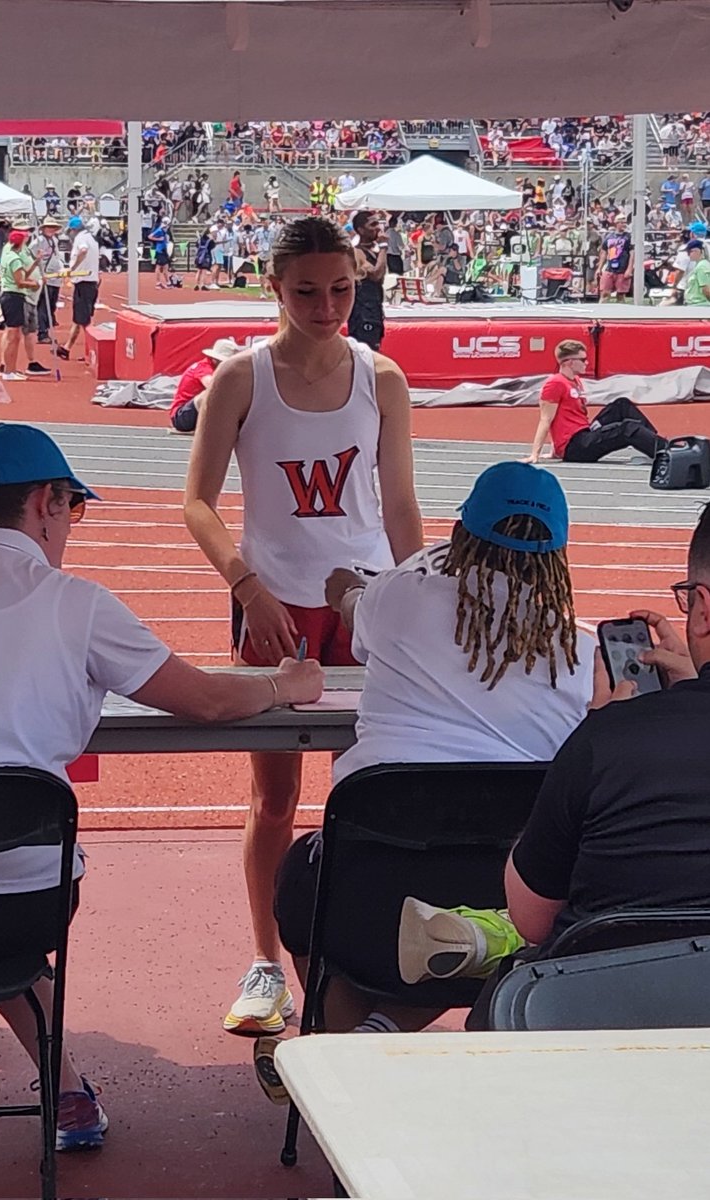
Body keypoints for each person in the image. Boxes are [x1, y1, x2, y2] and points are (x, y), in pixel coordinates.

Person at [0, 421, 324, 1154]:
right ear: (46, 503)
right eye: (73, 508)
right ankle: (67, 1095)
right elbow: (208, 700)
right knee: (1, 901)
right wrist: (285, 683)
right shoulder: (77, 604)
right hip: (15, 903)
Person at [183, 216, 423, 1035]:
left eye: (342, 290)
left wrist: (419, 598)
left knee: (374, 788)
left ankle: (361, 957)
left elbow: (399, 505)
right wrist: (247, 586)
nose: (327, 308)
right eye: (308, 292)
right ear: (275, 289)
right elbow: (197, 503)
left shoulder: (381, 379)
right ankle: (266, 964)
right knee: (276, 796)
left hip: (367, 608)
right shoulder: (241, 379)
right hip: (275, 606)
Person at [265, 463, 593, 1053]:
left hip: (363, 896)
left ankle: (337, 1050)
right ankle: (372, 1040)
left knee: (302, 879)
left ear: (461, 534)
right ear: (558, 557)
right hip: (511, 907)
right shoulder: (582, 656)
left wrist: (347, 586)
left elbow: (350, 601)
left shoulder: (399, 599)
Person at [396, 502, 710, 1029]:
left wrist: (609, 724)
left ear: (702, 611)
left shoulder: (608, 740)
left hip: (606, 1028)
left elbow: (532, 916)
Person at [525, 339, 664, 465]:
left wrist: (554, 450)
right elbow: (546, 419)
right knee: (628, 428)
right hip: (576, 447)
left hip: (585, 433)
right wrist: (535, 454)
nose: (587, 363)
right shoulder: (555, 384)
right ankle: (665, 453)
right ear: (570, 362)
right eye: (583, 359)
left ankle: (654, 442)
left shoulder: (575, 380)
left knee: (622, 405)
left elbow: (563, 418)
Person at [0, 224, 49, 382]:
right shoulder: (14, 258)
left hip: (12, 296)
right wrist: (36, 283)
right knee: (13, 336)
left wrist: (36, 262)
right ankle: (8, 371)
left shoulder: (10, 255)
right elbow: (20, 282)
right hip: (13, 296)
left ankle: (11, 369)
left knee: (14, 335)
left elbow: (23, 273)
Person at [169, 338, 239, 434]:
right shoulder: (203, 367)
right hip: (182, 417)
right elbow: (212, 385)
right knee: (211, 392)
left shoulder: (217, 370)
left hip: (194, 414)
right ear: (215, 359)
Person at [56, 216, 100, 361]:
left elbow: (83, 251)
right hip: (89, 282)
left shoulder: (81, 239)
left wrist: (72, 268)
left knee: (85, 320)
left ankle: (93, 351)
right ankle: (67, 348)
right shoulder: (91, 238)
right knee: (79, 318)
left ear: (73, 230)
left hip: (84, 282)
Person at [348, 210, 387, 351]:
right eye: (373, 224)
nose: (378, 228)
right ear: (361, 230)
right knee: (366, 352)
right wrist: (383, 247)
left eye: (378, 223)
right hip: (363, 313)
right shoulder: (357, 252)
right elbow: (376, 274)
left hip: (375, 310)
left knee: (375, 350)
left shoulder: (373, 252)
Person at [30, 215, 64, 344]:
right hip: (45, 277)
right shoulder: (38, 242)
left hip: (55, 278)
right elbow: (30, 256)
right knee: (44, 306)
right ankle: (42, 332)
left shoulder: (54, 240)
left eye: (53, 227)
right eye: (49, 227)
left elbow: (57, 256)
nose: (51, 229)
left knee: (51, 306)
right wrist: (38, 273)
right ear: (43, 229)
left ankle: (46, 328)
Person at [597, 215, 633, 303]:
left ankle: (621, 311)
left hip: (622, 269)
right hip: (609, 268)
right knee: (604, 293)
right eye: (621, 222)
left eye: (625, 222)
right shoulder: (609, 236)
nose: (624, 224)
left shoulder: (629, 237)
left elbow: (632, 254)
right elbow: (604, 252)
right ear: (616, 223)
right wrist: (599, 268)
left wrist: (629, 269)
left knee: (620, 295)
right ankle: (601, 309)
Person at [684, 238, 710, 305]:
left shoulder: (702, 266)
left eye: (689, 252)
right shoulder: (700, 265)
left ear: (697, 251)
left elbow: (706, 290)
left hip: (700, 305)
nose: (688, 255)